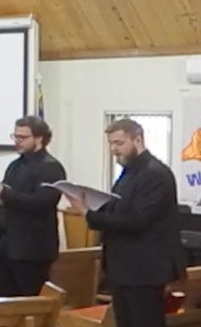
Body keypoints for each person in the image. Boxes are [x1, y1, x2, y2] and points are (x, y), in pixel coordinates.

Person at [67, 118, 185, 327]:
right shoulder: (130, 172)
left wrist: (87, 213)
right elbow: (120, 208)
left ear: (137, 140)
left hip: (144, 268)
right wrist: (93, 203)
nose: (114, 149)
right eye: (111, 143)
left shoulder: (155, 174)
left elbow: (137, 221)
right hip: (124, 266)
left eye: (119, 143)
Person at [0, 116, 66, 297]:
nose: (17, 141)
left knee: (29, 301)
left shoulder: (51, 167)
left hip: (32, 247)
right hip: (5, 243)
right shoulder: (15, 165)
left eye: (22, 137)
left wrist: (3, 192)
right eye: (15, 136)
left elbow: (42, 203)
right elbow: (5, 198)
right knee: (1, 299)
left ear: (39, 138)